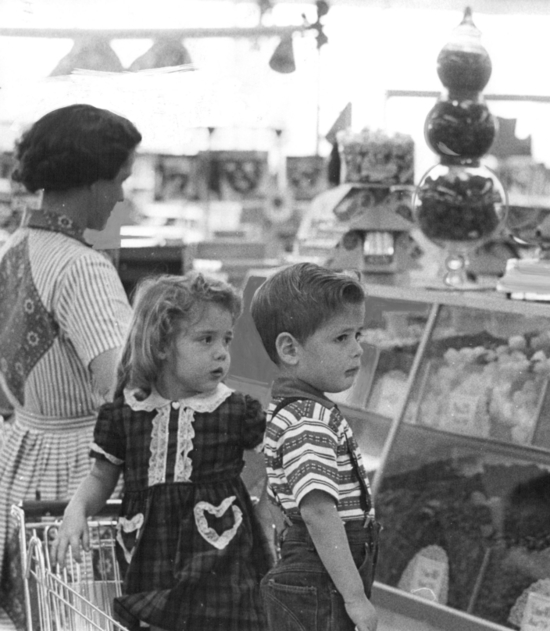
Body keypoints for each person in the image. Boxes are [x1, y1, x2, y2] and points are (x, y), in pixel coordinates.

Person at [54, 272, 271, 631]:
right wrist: (76, 510)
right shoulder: (125, 413)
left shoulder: (235, 410)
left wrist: (264, 513)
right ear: (160, 345)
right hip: (151, 558)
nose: (221, 352)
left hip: (224, 560)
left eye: (226, 340)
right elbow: (101, 476)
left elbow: (278, 460)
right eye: (206, 339)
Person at [0, 104, 140, 630]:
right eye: (120, 179)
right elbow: (125, 390)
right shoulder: (82, 267)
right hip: (78, 475)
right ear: (90, 179)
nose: (122, 195)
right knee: (85, 617)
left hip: (21, 462)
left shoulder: (14, 248)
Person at [250, 262, 380, 631]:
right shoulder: (307, 420)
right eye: (341, 338)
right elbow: (319, 514)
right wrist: (356, 599)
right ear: (290, 349)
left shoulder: (303, 409)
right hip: (318, 582)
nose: (357, 350)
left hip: (317, 576)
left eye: (359, 334)